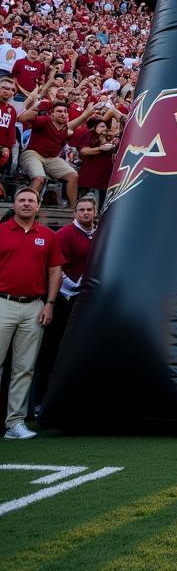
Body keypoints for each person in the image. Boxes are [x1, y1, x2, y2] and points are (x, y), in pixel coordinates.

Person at [0, 187, 63, 439]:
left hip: (35, 306)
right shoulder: (1, 231)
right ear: (12, 205)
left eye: (31, 201)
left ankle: (14, 423)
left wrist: (49, 302)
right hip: (3, 302)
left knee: (24, 368)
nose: (26, 204)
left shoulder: (48, 235)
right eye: (22, 200)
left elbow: (55, 271)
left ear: (38, 206)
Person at [32, 196, 97, 406]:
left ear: (95, 212)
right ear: (74, 213)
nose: (86, 213)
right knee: (53, 348)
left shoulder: (100, 233)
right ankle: (42, 399)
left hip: (88, 299)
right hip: (64, 298)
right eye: (81, 210)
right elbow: (56, 268)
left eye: (89, 209)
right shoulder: (64, 234)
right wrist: (76, 288)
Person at [17, 99, 94, 206]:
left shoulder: (65, 128)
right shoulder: (45, 120)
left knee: (73, 176)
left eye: (65, 112)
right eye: (59, 111)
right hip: (33, 154)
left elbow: (76, 122)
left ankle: (73, 209)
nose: (62, 114)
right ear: (52, 113)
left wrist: (87, 112)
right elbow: (22, 118)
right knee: (39, 178)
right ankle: (27, 205)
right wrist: (32, 109)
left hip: (52, 158)